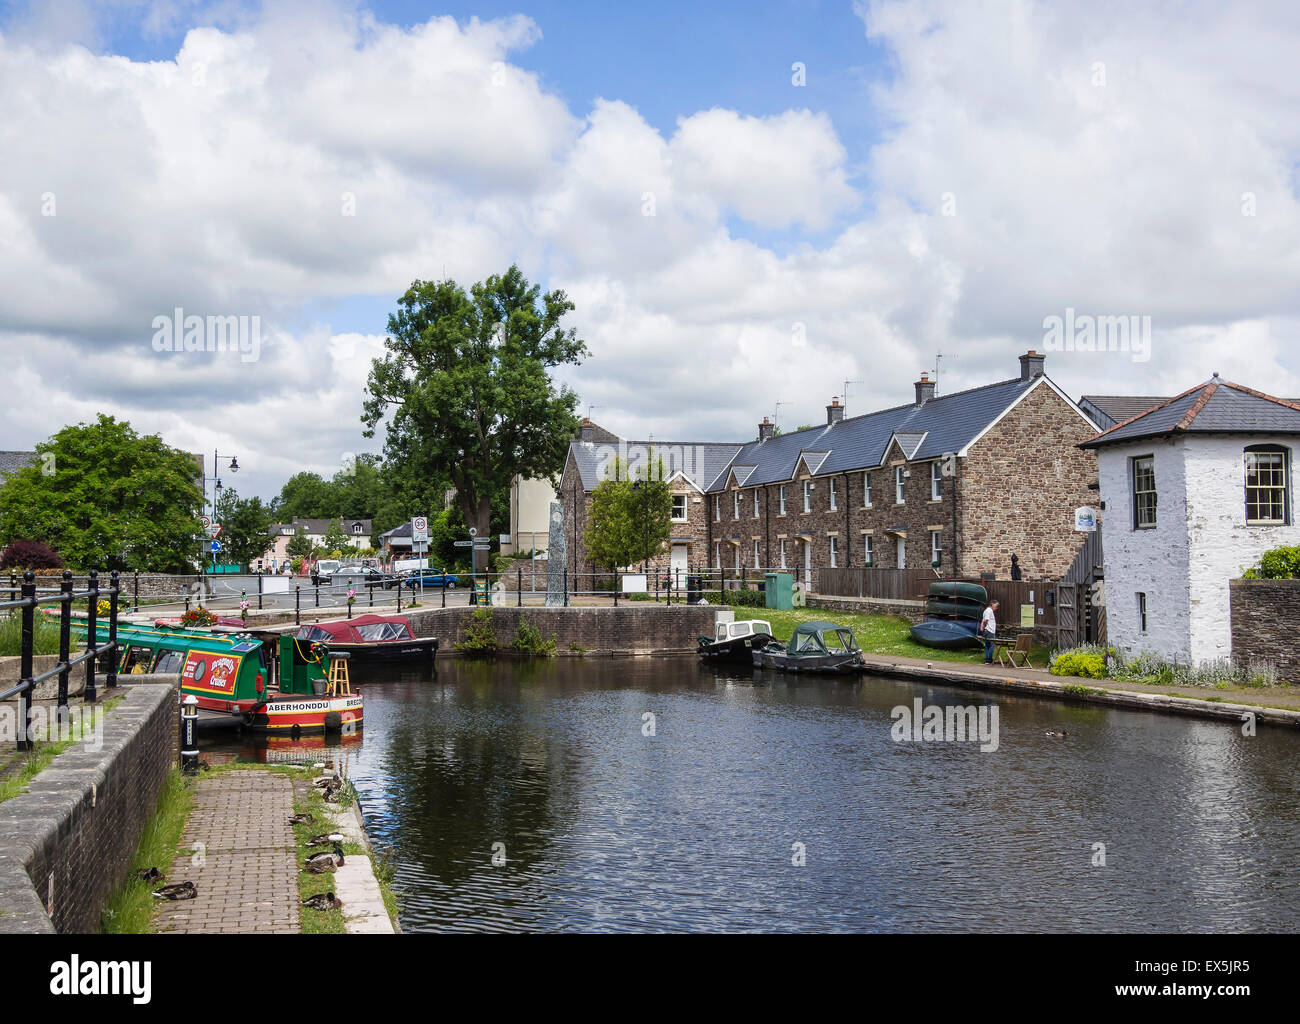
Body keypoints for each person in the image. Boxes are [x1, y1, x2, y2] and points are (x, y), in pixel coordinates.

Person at [979, 600, 999, 664]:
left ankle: (987, 660)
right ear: (992, 605)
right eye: (996, 606)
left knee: (987, 645)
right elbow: (985, 620)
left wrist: (982, 627)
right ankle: (989, 660)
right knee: (991, 646)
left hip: (987, 630)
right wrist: (984, 627)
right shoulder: (989, 611)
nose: (997, 608)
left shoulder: (986, 610)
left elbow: (983, 620)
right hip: (989, 631)